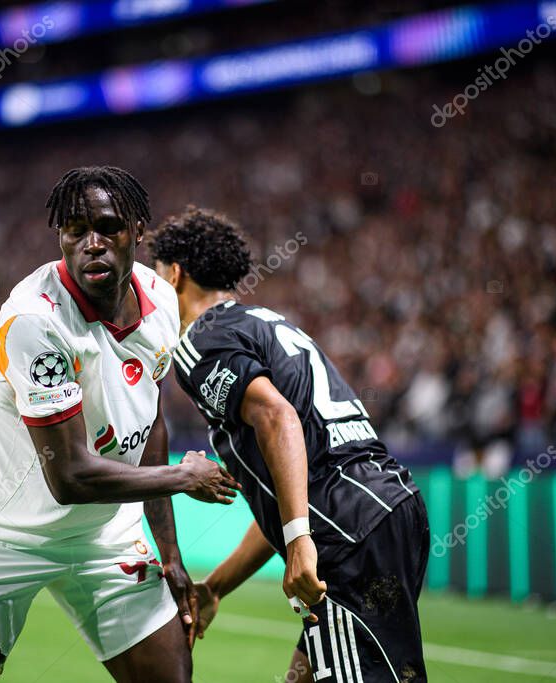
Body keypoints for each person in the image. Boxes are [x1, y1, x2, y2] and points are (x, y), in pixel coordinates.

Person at [0, 170, 240, 683]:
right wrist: (184, 478)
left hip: (105, 536)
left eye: (108, 228)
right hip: (3, 533)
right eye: (75, 230)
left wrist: (171, 554)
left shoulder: (161, 301)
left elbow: (151, 422)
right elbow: (69, 476)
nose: (92, 243)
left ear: (137, 231)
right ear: (60, 236)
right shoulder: (35, 319)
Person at [150, 207, 429, 683]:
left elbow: (278, 418)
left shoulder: (199, 341)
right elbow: (290, 482)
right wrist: (216, 587)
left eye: (155, 279)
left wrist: (300, 539)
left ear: (175, 275)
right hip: (388, 507)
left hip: (344, 533)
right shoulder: (263, 323)